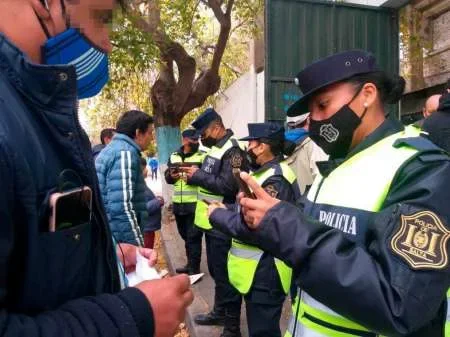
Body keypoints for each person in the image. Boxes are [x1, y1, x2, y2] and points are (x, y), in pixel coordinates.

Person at [209, 50, 450, 337]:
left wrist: (285, 224)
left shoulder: (421, 167)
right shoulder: (333, 168)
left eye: (323, 105)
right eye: (312, 112)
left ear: (367, 95)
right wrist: (264, 215)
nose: (315, 121)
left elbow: (398, 304)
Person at [0, 0, 193, 336]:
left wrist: (107, 258)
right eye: (101, 19)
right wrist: (131, 318)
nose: (106, 43)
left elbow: (34, 259)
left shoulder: (38, 113)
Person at [209, 122, 301, 337]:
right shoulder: (261, 174)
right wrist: (229, 207)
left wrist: (219, 216)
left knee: (262, 332)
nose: (247, 148)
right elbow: (248, 207)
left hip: (268, 271)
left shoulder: (276, 179)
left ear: (262, 147)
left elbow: (259, 226)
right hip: (254, 271)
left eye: (250, 143)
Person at [185, 108, 249, 337]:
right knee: (216, 271)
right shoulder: (215, 149)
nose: (201, 137)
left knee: (226, 274)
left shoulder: (233, 151)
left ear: (216, 128)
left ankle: (232, 327)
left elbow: (228, 187)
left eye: (204, 132)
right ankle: (219, 312)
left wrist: (197, 175)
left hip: (225, 221)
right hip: (212, 222)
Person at [96, 110, 153, 246]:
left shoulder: (112, 150)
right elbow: (122, 208)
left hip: (112, 235)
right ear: (138, 133)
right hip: (121, 240)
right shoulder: (125, 154)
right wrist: (137, 247)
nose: (152, 138)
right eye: (150, 133)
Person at [164, 128, 205, 275]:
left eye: (197, 140)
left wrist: (193, 176)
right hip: (179, 204)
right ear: (184, 140)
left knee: (193, 237)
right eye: (192, 140)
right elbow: (168, 177)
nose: (196, 142)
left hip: (195, 204)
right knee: (185, 235)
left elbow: (205, 179)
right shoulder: (174, 156)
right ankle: (190, 264)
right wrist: (171, 175)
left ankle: (194, 269)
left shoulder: (202, 157)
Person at [284, 113, 328, 194]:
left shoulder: (279, 144)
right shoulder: (315, 144)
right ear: (308, 120)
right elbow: (322, 179)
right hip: (308, 203)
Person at [140, 158, 164, 249]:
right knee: (146, 255)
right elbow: (141, 208)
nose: (146, 170)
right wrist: (157, 202)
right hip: (145, 228)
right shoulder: (136, 186)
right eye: (143, 169)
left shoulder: (140, 184)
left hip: (147, 227)